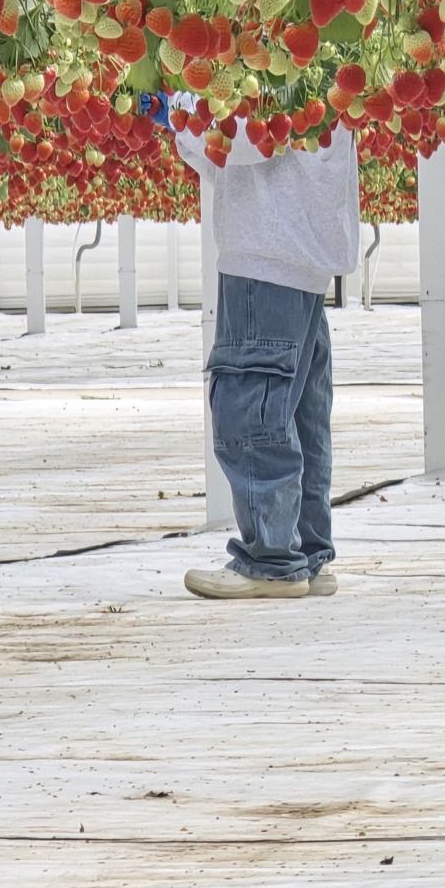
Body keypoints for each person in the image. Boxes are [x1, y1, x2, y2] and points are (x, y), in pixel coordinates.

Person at [144, 92, 361, 600]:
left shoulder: (280, 63)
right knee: (298, 416)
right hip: (297, 257)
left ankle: (271, 559)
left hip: (267, 255)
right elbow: (238, 153)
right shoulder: (326, 67)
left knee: (251, 409)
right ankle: (306, 554)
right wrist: (186, 125)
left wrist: (184, 113)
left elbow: (250, 138)